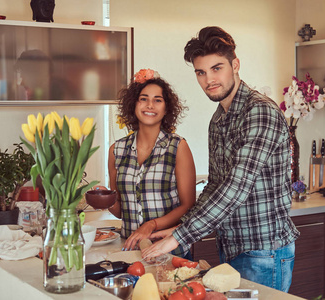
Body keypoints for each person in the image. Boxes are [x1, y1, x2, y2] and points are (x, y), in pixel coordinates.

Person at [142, 27, 300, 292]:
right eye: (201, 72)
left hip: (264, 253)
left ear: (235, 65)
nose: (209, 80)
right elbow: (215, 184)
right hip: (231, 248)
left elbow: (236, 187)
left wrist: (179, 237)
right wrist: (181, 226)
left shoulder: (260, 112)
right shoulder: (218, 119)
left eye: (217, 69)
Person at [107, 69, 196, 259]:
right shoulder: (117, 150)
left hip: (170, 252)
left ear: (166, 108)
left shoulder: (178, 147)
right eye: (143, 98)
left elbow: (188, 205)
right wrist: (105, 200)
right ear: (134, 105)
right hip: (130, 252)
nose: (150, 105)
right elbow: (122, 211)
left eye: (158, 100)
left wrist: (151, 225)